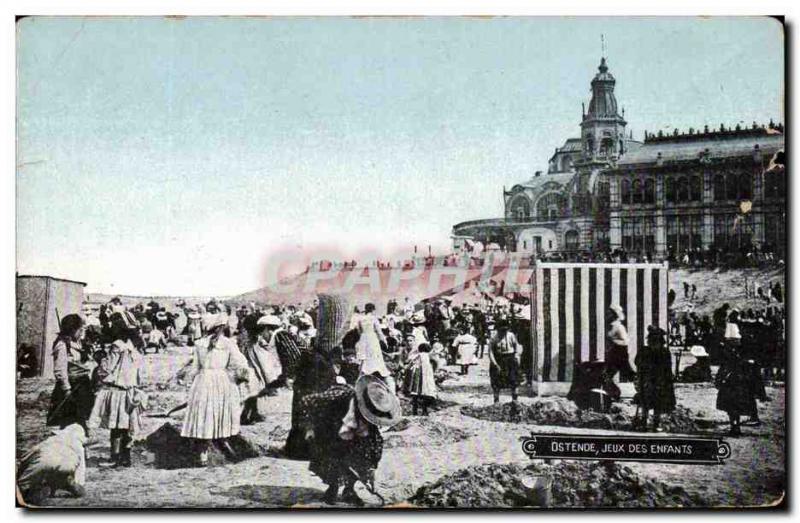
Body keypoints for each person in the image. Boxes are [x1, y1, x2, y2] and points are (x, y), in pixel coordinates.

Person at [299, 375, 401, 506]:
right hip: (332, 428)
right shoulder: (340, 396)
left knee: (366, 454)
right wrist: (309, 427)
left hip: (357, 431)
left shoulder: (373, 411)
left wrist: (368, 470)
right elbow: (306, 401)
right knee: (332, 458)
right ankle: (333, 488)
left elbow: (372, 443)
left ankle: (349, 490)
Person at [180, 312, 250, 466]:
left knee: (204, 414)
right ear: (222, 327)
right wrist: (241, 377)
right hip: (222, 380)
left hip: (203, 380)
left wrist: (186, 381)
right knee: (220, 412)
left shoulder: (199, 344)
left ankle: (203, 454)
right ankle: (223, 443)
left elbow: (195, 368)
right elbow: (240, 363)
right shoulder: (228, 344)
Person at [285, 294, 349, 460]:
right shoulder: (318, 358)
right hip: (315, 377)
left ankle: (305, 446)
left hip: (313, 378)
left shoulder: (315, 356)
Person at [87, 337, 146, 467]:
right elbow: (141, 376)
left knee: (116, 426)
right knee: (126, 425)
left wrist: (101, 361)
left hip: (117, 391)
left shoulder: (117, 346)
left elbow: (106, 370)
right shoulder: (136, 350)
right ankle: (126, 456)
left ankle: (115, 457)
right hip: (130, 391)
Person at [16, 424, 87, 505]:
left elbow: (34, 450)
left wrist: (22, 462)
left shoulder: (52, 439)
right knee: (63, 477)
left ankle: (30, 492)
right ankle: (70, 487)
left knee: (22, 483)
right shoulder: (79, 447)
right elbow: (81, 467)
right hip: (67, 466)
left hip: (45, 462)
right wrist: (80, 482)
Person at [48, 314, 96, 432]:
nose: (81, 332)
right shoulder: (62, 345)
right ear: (72, 329)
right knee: (69, 423)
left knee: (81, 421)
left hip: (83, 386)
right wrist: (67, 390)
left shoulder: (78, 343)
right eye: (79, 329)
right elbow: (60, 370)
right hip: (72, 387)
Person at [239, 313, 284, 424]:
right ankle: (246, 416)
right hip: (251, 369)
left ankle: (253, 413)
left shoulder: (247, 338)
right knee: (252, 393)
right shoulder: (253, 341)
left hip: (251, 368)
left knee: (253, 392)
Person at [634, 326, 676, 432]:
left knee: (653, 402)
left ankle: (650, 423)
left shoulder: (658, 352)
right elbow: (638, 363)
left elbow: (638, 363)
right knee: (649, 402)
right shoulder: (653, 351)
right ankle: (648, 423)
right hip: (652, 381)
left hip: (655, 381)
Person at [488, 317, 522, 403]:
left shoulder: (511, 335)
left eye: (505, 330)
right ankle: (496, 401)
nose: (503, 332)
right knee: (496, 382)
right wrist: (495, 364)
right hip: (498, 359)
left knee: (513, 380)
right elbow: (491, 352)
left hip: (510, 359)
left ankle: (515, 401)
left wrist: (517, 358)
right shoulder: (494, 338)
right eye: (501, 330)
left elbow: (517, 347)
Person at [606, 304, 636, 382]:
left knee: (628, 374)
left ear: (615, 315)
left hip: (620, 355)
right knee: (608, 374)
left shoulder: (619, 327)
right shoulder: (611, 326)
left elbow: (625, 341)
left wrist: (613, 341)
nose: (607, 315)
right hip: (613, 354)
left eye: (609, 313)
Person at [407, 342, 436, 415]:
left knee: (415, 393)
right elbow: (435, 362)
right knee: (425, 392)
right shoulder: (429, 355)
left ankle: (414, 410)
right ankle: (424, 410)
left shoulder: (416, 356)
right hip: (426, 375)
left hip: (417, 375)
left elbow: (409, 363)